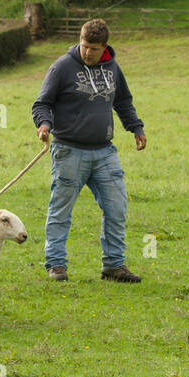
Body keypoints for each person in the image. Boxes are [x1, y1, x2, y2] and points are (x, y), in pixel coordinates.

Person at [31, 17, 147, 283]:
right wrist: (44, 124)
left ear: (104, 47)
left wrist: (136, 128)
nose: (88, 53)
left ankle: (114, 266)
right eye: (84, 46)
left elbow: (124, 101)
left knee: (117, 208)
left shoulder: (113, 68)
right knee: (61, 210)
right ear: (79, 41)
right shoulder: (61, 67)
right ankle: (56, 264)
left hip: (105, 151)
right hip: (68, 150)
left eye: (94, 48)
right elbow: (41, 103)